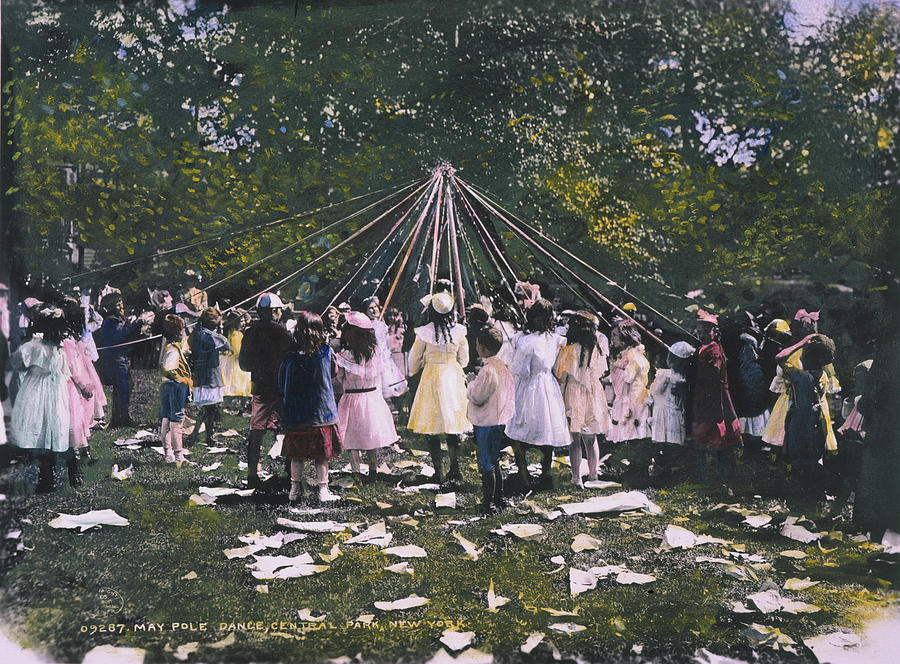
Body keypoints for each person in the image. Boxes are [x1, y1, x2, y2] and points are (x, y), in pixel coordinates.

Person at [407, 292, 471, 487]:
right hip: (452, 375)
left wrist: (417, 370)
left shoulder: (424, 333)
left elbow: (413, 361)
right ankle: (455, 469)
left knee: (432, 427)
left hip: (431, 378)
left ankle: (438, 471)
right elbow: (464, 359)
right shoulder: (459, 331)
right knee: (452, 426)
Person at [505, 298, 569, 491]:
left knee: (519, 431)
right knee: (547, 428)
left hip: (529, 384)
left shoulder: (526, 341)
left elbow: (520, 369)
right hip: (548, 384)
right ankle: (546, 473)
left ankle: (524, 476)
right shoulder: (556, 339)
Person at [278, 311, 341, 504]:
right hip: (321, 414)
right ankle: (323, 489)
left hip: (296, 415)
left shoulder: (289, 358)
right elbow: (334, 373)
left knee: (296, 455)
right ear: (320, 331)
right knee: (321, 456)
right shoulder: (326, 353)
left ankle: (294, 489)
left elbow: (281, 382)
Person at [9, 306, 73, 492]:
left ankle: (47, 476)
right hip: (40, 393)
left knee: (48, 429)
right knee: (40, 429)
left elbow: (64, 371)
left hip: (49, 393)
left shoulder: (56, 350)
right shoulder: (37, 347)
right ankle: (41, 475)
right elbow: (18, 363)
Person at [334, 311, 399, 483]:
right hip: (372, 398)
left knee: (352, 439)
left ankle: (356, 472)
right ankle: (373, 469)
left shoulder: (343, 356)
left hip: (352, 399)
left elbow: (339, 379)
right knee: (371, 437)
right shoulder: (375, 353)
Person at [239, 293, 296, 488]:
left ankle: (251, 473)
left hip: (260, 388)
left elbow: (244, 364)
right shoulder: (283, 334)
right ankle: (290, 473)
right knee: (288, 429)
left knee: (256, 431)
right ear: (274, 311)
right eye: (279, 310)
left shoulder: (250, 331)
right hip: (281, 388)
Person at [762, 309, 840, 448]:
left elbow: (780, 360)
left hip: (796, 402)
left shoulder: (800, 358)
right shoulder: (807, 355)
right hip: (806, 402)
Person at [554, 311, 611, 489]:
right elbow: (602, 371)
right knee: (591, 437)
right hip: (593, 393)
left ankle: (577, 477)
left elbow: (560, 374)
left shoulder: (569, 351)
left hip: (573, 393)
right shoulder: (597, 350)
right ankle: (593, 474)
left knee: (574, 439)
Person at [467, 325, 515, 513]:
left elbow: (478, 396)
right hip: (499, 419)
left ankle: (488, 504)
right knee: (494, 461)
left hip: (486, 422)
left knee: (486, 463)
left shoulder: (487, 371)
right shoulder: (502, 366)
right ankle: (499, 498)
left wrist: (471, 383)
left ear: (483, 348)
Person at [777, 334, 838, 477]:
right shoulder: (823, 375)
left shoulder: (800, 376)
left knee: (798, 462)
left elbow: (780, 357)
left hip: (799, 423)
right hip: (817, 423)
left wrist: (802, 341)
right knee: (812, 461)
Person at [692, 310, 743, 481]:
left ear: (714, 332)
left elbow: (714, 374)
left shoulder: (714, 351)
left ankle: (718, 473)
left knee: (716, 431)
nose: (702, 335)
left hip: (714, 396)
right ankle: (706, 473)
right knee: (705, 432)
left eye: (706, 331)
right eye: (699, 331)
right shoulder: (704, 348)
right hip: (704, 395)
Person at [94, 293, 153, 428]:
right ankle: (120, 419)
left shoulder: (118, 320)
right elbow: (120, 336)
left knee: (126, 387)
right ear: (110, 307)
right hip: (115, 361)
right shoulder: (110, 321)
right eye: (117, 305)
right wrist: (137, 324)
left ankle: (122, 417)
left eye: (121, 304)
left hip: (122, 359)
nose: (121, 307)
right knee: (122, 389)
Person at [61, 299, 103, 473]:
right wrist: (83, 386)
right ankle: (78, 457)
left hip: (82, 381)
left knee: (84, 419)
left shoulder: (73, 339)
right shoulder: (67, 342)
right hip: (75, 386)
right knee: (77, 421)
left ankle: (85, 453)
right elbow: (72, 368)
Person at [187, 307, 229, 445]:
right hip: (210, 374)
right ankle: (208, 437)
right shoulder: (209, 335)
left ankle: (196, 434)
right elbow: (226, 345)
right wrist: (220, 331)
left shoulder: (196, 333)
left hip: (200, 373)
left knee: (207, 408)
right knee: (210, 409)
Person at [607, 319, 651, 443]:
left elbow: (628, 378)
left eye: (615, 336)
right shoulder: (627, 354)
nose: (612, 339)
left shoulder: (631, 356)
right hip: (627, 398)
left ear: (624, 338)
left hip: (630, 401)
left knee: (628, 434)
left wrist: (617, 368)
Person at [159, 314, 192, 466]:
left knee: (166, 418)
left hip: (166, 385)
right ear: (178, 332)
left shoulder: (170, 346)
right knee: (176, 420)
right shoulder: (173, 350)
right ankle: (178, 455)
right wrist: (180, 378)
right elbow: (168, 367)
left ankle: (168, 453)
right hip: (175, 386)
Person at [648, 341, 694, 446]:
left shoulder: (665, 374)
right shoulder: (683, 378)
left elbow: (656, 391)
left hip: (663, 412)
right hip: (676, 414)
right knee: (673, 441)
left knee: (662, 440)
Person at [363, 296, 408, 400]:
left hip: (386, 357)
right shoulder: (368, 326)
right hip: (376, 358)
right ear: (366, 311)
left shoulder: (381, 324)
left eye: (375, 307)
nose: (374, 310)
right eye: (370, 308)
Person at [219, 310, 252, 411]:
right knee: (239, 384)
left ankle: (236, 405)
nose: (244, 323)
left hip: (231, 362)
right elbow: (238, 352)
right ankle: (239, 406)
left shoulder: (232, 333)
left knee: (233, 385)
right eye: (241, 321)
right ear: (234, 322)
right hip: (236, 363)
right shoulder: (236, 335)